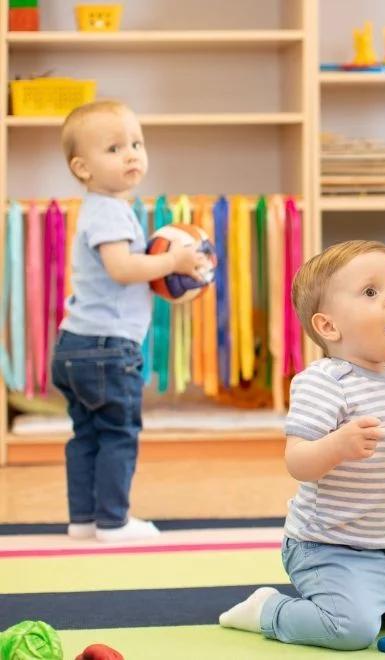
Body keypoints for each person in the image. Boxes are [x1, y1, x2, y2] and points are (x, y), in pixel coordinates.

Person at [219, 240, 385, 651]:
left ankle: (368, 596)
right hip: (324, 548)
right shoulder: (323, 383)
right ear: (328, 327)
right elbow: (298, 461)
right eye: (371, 292)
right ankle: (268, 610)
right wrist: (338, 446)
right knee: (351, 632)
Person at [51, 100, 207, 543]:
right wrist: (173, 260)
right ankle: (114, 522)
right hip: (106, 348)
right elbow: (122, 268)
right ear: (82, 168)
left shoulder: (102, 208)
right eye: (115, 148)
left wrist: (164, 275)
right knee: (119, 433)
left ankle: (83, 519)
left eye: (137, 143)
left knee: (86, 435)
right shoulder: (109, 211)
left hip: (75, 345)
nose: (132, 154)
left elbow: (125, 275)